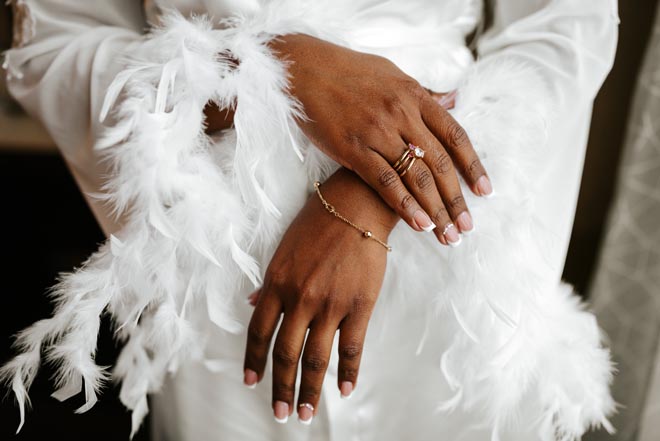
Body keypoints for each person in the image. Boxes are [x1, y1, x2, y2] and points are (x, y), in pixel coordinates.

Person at [1, 1, 619, 440]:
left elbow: (566, 24)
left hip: (449, 240)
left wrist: (376, 190)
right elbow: (56, 41)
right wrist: (274, 69)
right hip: (220, 265)